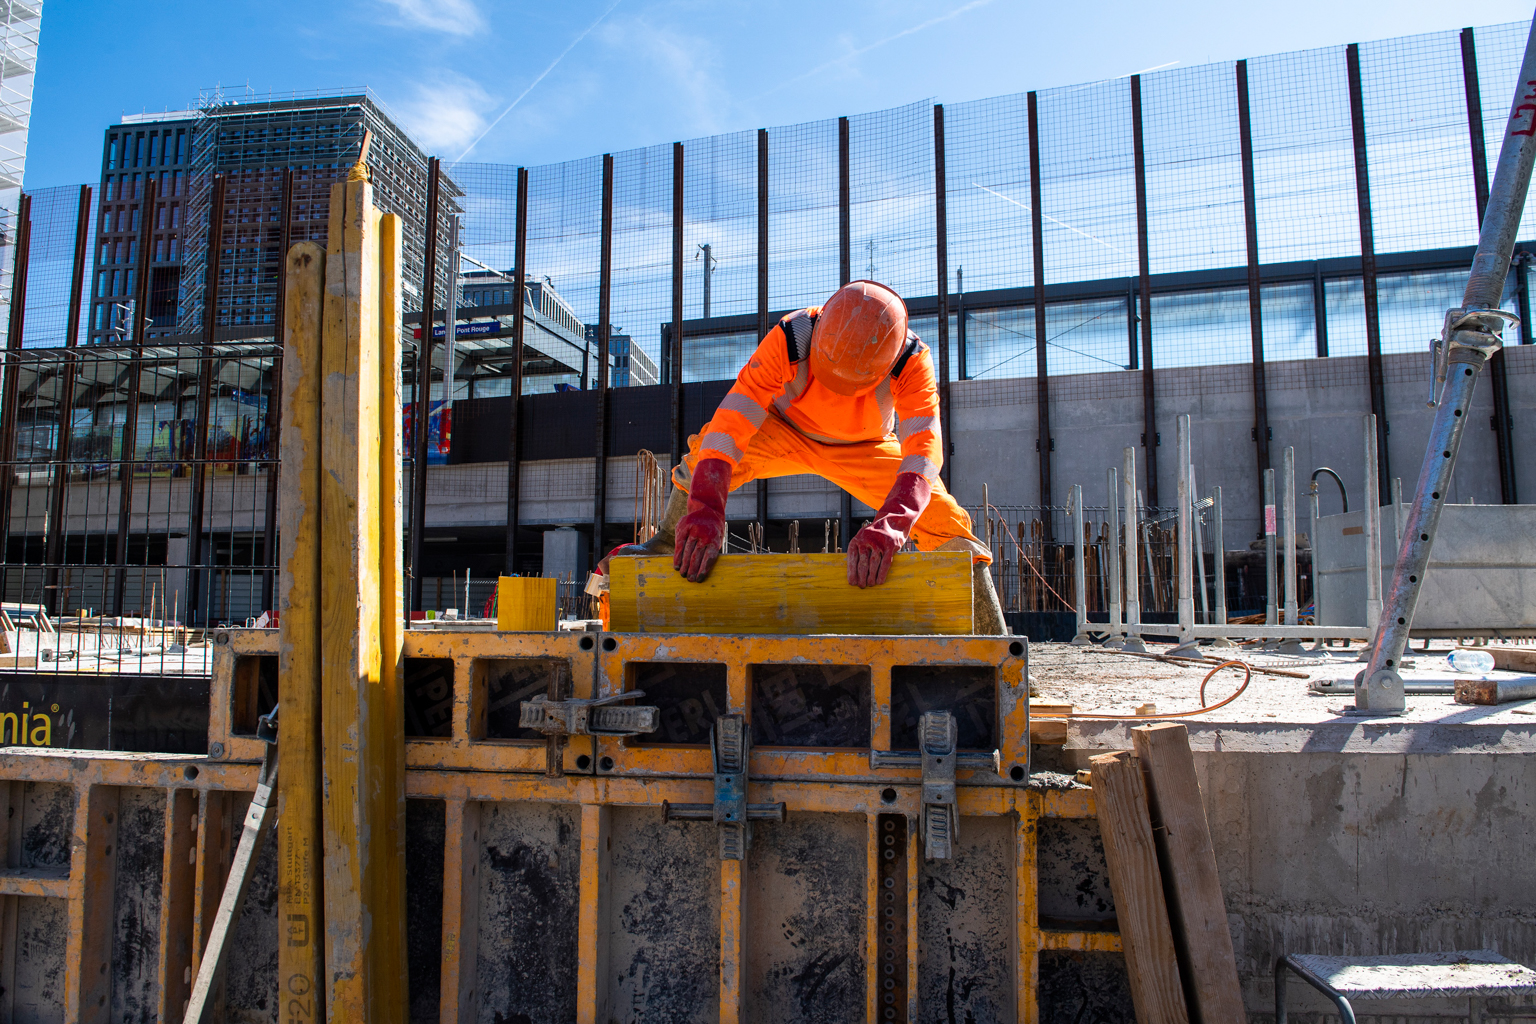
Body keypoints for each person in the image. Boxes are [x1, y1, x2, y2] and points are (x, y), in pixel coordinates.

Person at [606, 280, 1007, 633]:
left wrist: (892, 524)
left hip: (864, 447)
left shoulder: (911, 360)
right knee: (702, 463)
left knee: (944, 520)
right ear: (822, 330)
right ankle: (665, 547)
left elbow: (924, 451)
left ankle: (994, 637)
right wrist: (706, 508)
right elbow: (732, 422)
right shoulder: (791, 334)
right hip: (781, 429)